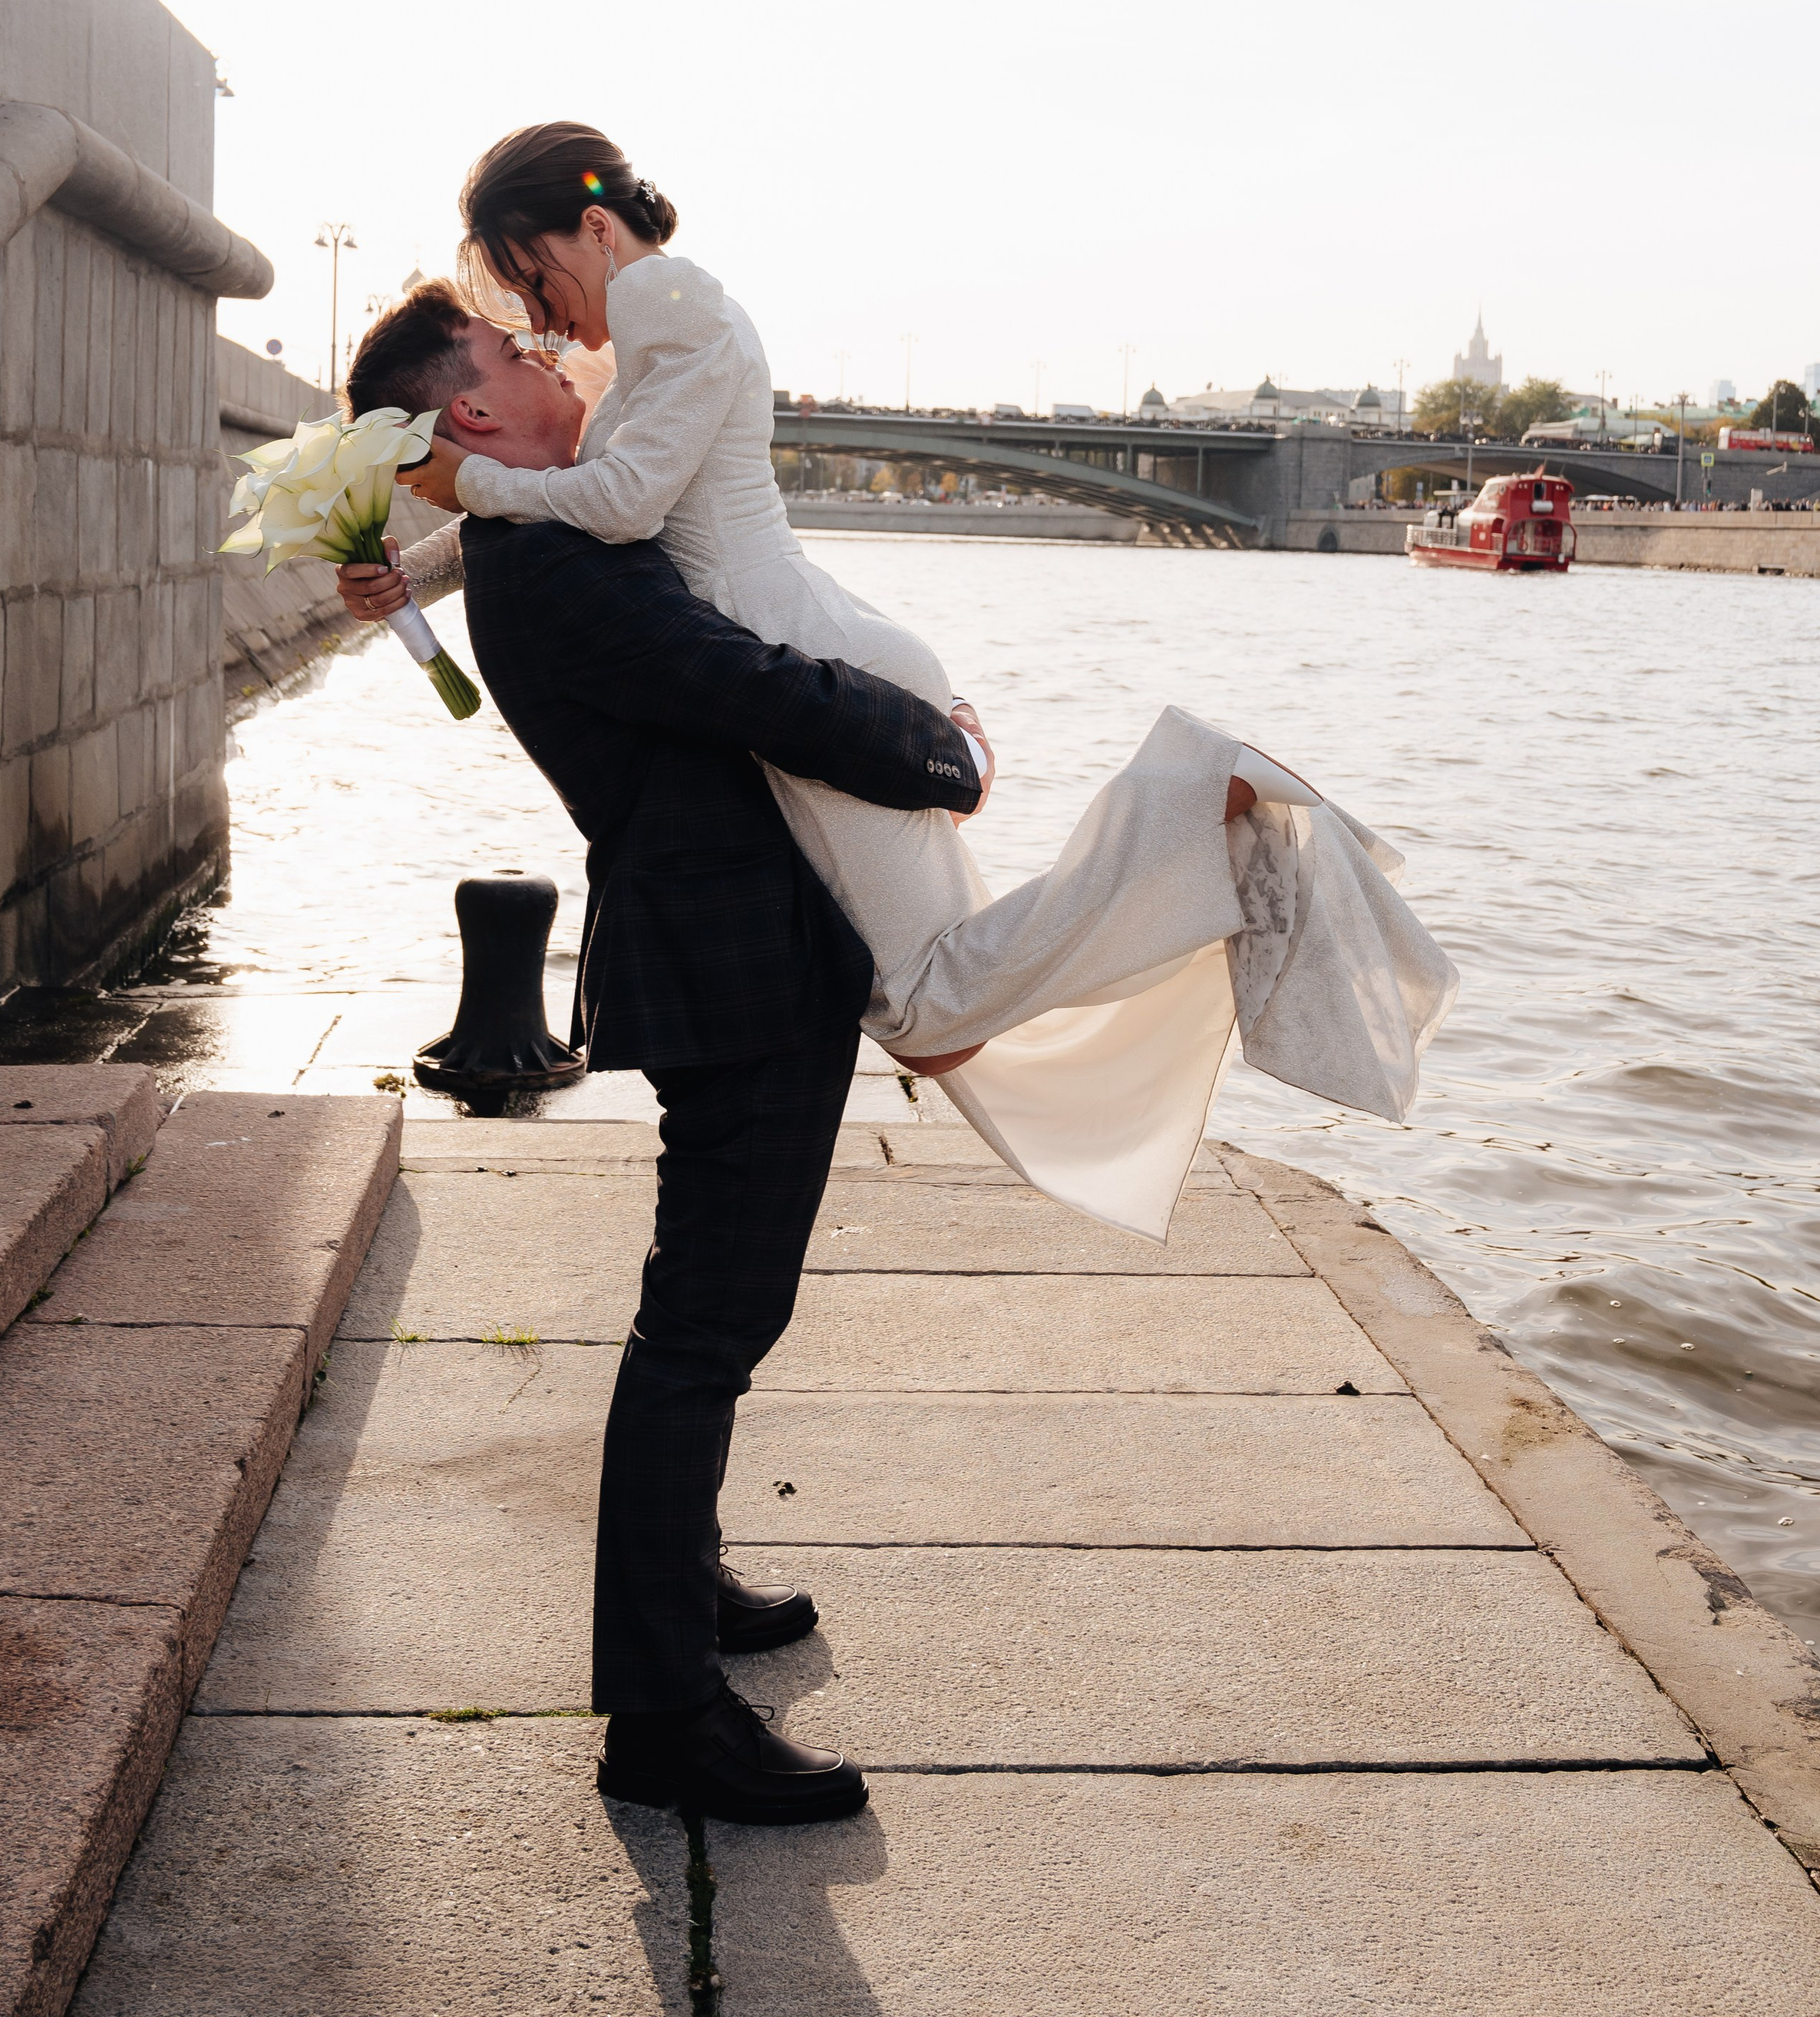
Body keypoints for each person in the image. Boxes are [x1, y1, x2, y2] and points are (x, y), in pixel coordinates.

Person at [386, 124, 1448, 1241]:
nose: (538, 314)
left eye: (532, 274)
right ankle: (1193, 808)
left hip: (798, 648)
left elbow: (621, 506)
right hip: (816, 632)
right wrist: (416, 567)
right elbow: (591, 483)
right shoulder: (655, 316)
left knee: (929, 1005)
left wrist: (471, 478)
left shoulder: (671, 309)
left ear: (594, 226)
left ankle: (1191, 789)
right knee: (932, 1020)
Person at [339, 286, 995, 1824]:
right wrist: (932, 743)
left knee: (704, 1312)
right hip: (729, 962)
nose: (549, 356)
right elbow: (744, 685)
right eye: (510, 354)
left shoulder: (537, 535)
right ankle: (660, 1718)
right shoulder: (556, 562)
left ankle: (681, 1589)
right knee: (701, 1326)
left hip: (732, 946)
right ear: (476, 417)